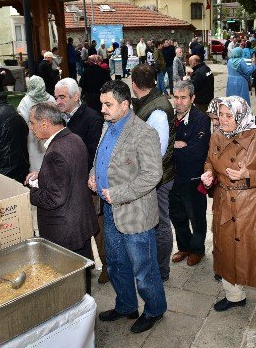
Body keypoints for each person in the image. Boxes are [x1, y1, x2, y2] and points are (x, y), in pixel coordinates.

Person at [90, 80, 166, 334]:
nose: (103, 109)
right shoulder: (107, 126)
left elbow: (152, 175)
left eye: (108, 104)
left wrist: (118, 193)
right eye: (102, 104)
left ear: (125, 104)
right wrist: (93, 174)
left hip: (135, 213)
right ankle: (126, 306)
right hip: (111, 211)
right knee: (115, 262)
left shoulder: (144, 133)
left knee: (143, 269)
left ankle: (154, 309)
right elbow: (102, 157)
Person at [200, 96, 256, 311]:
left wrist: (249, 175)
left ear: (240, 115)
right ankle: (234, 296)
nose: (222, 120)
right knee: (225, 251)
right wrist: (208, 173)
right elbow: (210, 160)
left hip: (252, 205)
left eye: (228, 115)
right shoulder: (217, 136)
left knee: (254, 252)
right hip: (224, 201)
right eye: (221, 115)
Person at [25, 103, 98, 258]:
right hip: (80, 222)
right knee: (82, 273)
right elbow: (71, 172)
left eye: (32, 122)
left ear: (44, 123)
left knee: (70, 279)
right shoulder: (75, 138)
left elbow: (53, 198)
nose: (30, 127)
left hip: (64, 230)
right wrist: (44, 173)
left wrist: (30, 194)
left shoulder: (55, 152)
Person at [55, 77, 107, 282]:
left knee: (97, 227)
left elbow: (95, 153)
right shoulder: (61, 117)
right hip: (71, 184)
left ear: (76, 97)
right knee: (81, 226)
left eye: (62, 97)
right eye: (56, 96)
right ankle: (88, 263)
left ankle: (107, 266)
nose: (58, 101)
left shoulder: (92, 118)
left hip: (88, 183)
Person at [131, 64, 175, 282]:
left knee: (160, 224)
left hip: (159, 178)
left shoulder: (157, 110)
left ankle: (162, 270)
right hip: (155, 176)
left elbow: (158, 149)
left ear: (134, 85)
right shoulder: (149, 102)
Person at [169, 80, 211, 267]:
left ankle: (197, 249)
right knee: (177, 216)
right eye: (176, 97)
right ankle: (184, 247)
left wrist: (170, 149)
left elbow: (195, 153)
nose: (179, 102)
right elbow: (158, 146)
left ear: (192, 98)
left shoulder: (200, 120)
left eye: (183, 98)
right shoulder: (169, 117)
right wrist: (175, 145)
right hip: (172, 178)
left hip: (193, 179)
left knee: (197, 217)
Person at [17, 75, 55, 172]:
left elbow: (22, 122)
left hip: (32, 138)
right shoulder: (50, 98)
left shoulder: (26, 101)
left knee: (35, 162)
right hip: (50, 136)